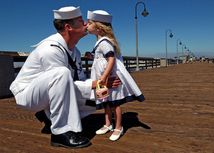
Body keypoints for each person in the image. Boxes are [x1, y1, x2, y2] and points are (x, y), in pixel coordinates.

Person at [9, 6, 120, 148]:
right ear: (69, 27)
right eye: (81, 21)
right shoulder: (50, 49)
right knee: (61, 73)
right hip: (29, 95)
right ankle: (61, 133)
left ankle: (50, 117)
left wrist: (99, 85)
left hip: (51, 91)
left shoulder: (75, 52)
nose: (86, 23)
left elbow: (75, 83)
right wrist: (96, 83)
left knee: (97, 99)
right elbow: (61, 82)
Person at [86, 10, 145, 141]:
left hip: (108, 78)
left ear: (99, 28)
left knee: (114, 103)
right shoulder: (100, 43)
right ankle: (107, 124)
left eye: (89, 23)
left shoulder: (105, 42)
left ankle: (118, 127)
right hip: (103, 78)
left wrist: (104, 77)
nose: (86, 25)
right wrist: (91, 57)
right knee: (105, 102)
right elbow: (100, 60)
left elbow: (111, 59)